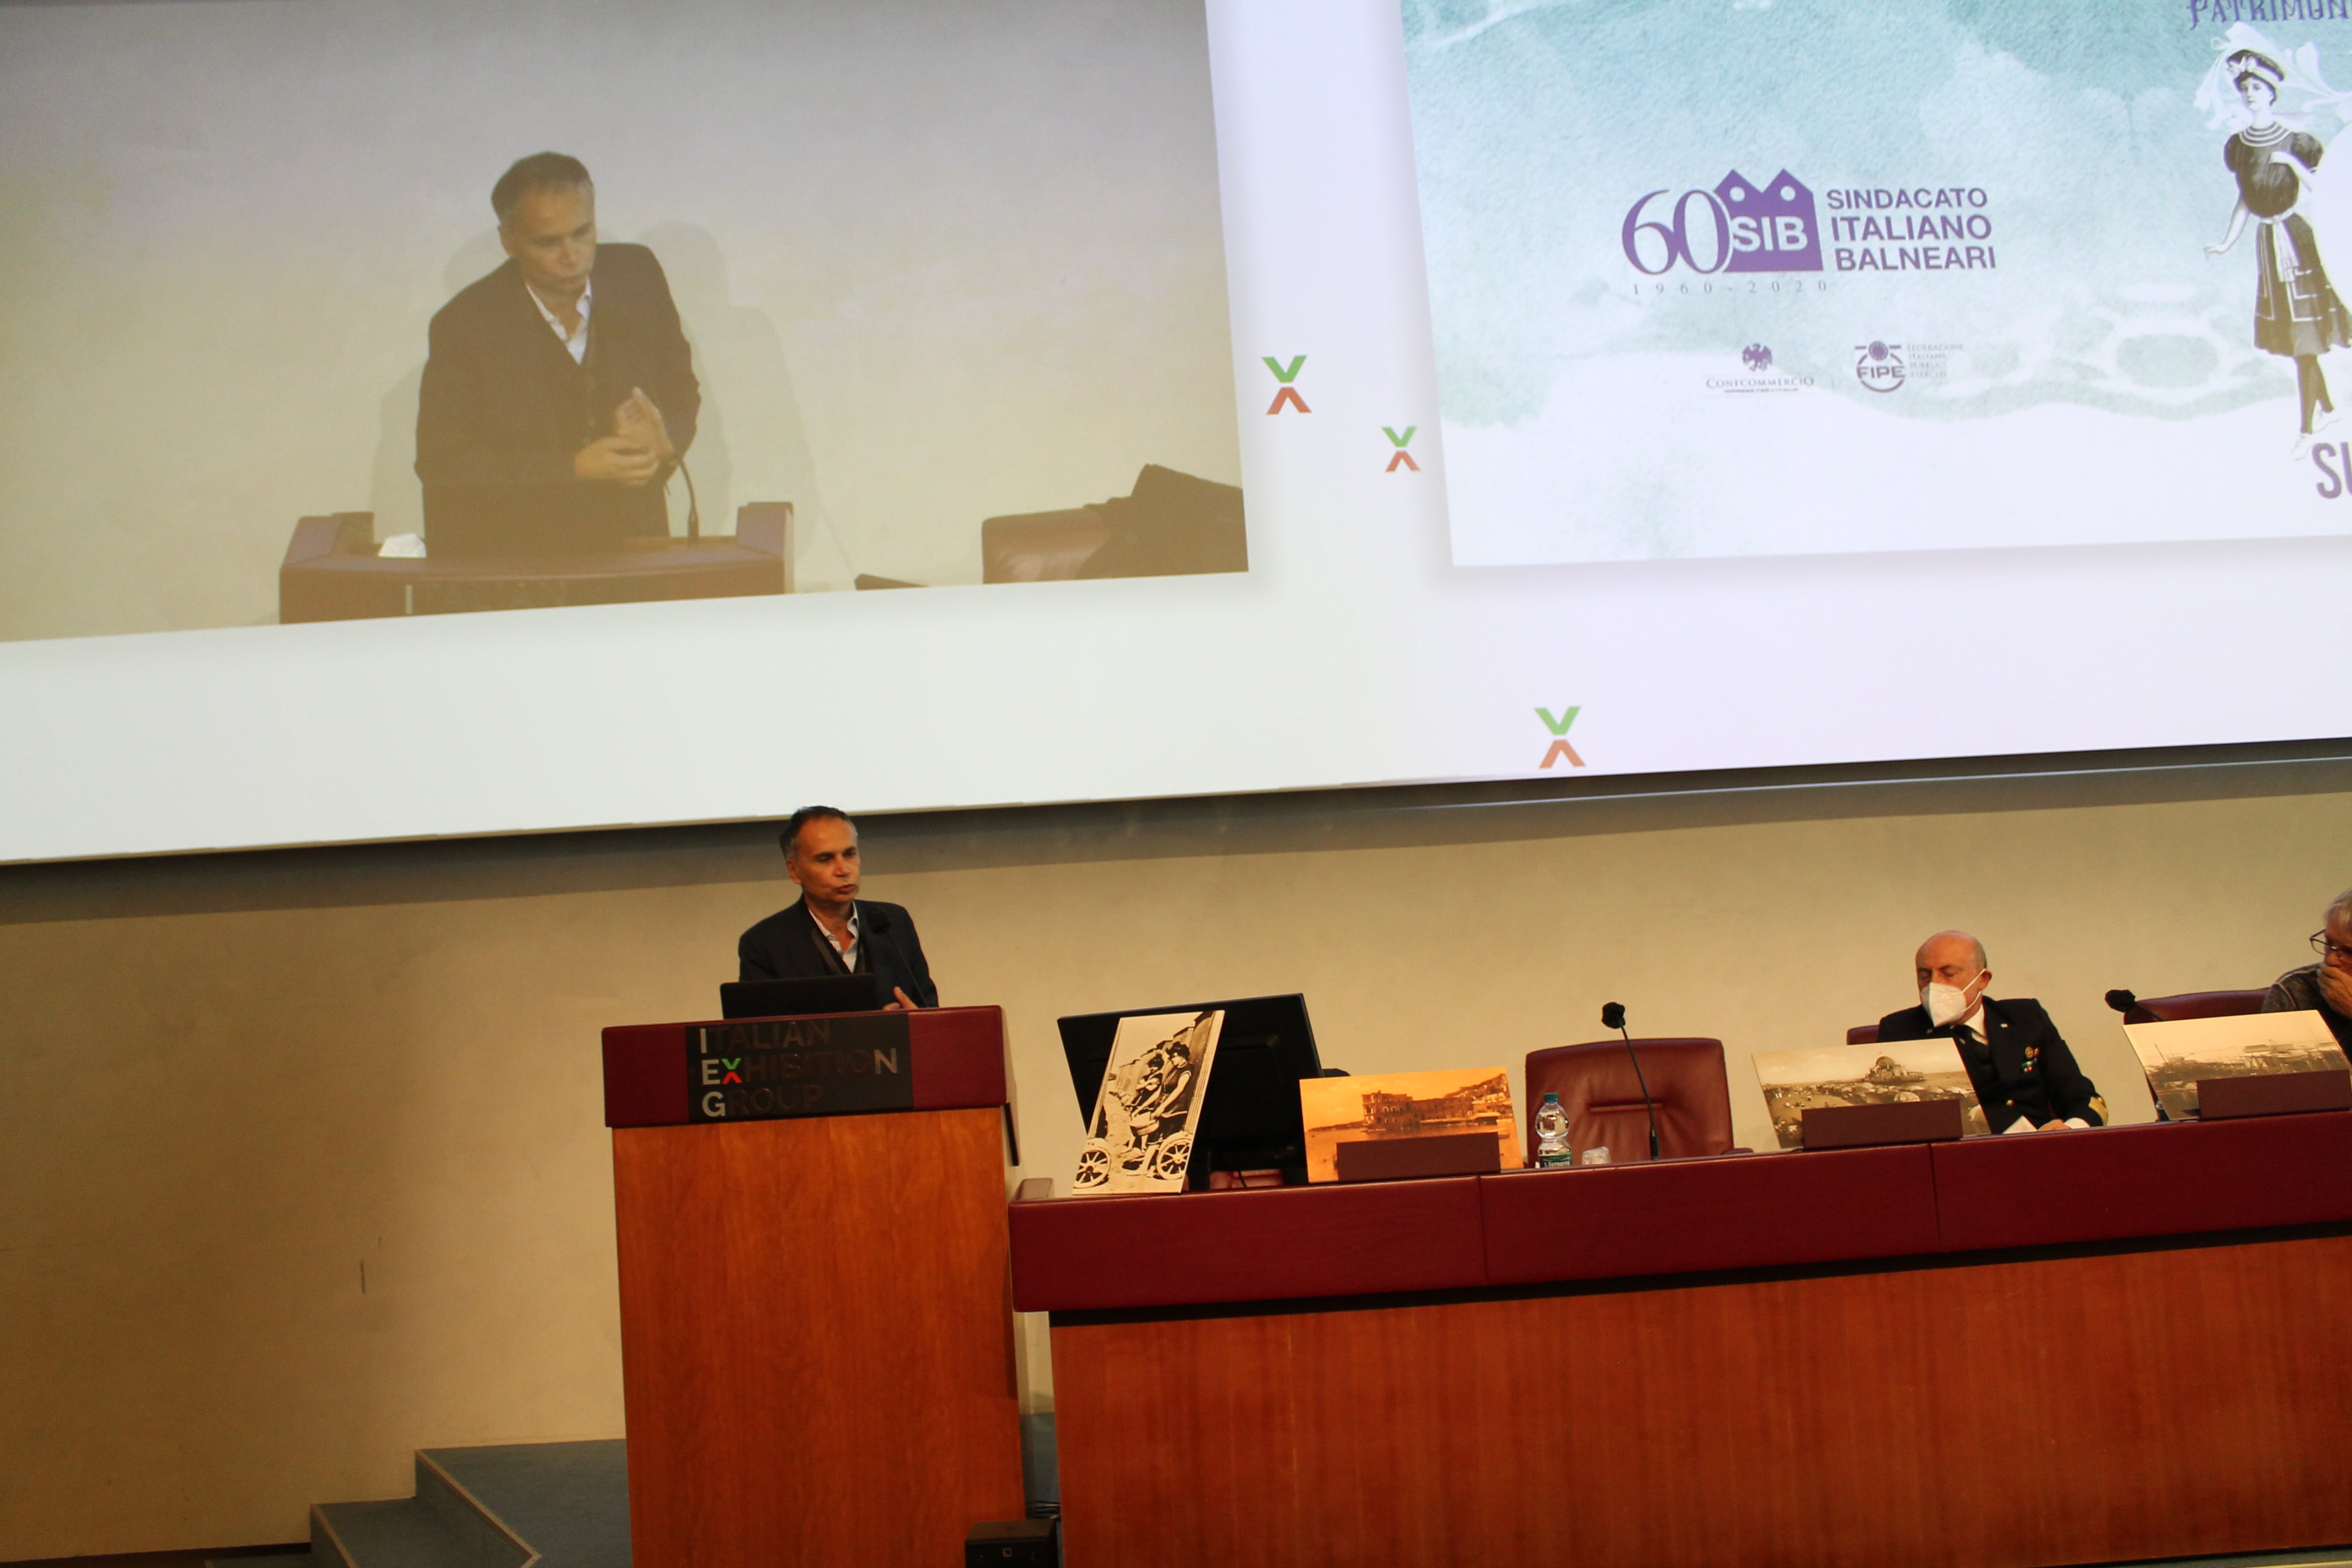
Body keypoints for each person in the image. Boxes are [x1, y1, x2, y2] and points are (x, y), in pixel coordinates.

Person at [416, 153, 700, 547]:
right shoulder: (465, 325)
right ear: (509, 241)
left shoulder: (637, 275)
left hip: (637, 538)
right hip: (525, 551)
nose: (572, 256)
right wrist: (574, 468)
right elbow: (442, 463)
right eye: (548, 242)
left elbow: (680, 387)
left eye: (583, 233)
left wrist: (664, 443)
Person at [2204, 51, 2352, 447]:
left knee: (2305, 339)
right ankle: (2329, 410)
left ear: (2272, 93)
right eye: (2245, 88)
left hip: (2298, 240)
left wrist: (2290, 161)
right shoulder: (2239, 146)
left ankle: (2308, 428)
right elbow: (2245, 199)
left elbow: (2323, 187)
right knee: (2297, 338)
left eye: (2258, 87)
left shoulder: (2297, 142)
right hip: (2269, 244)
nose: (2251, 93)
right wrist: (2226, 242)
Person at [1876, 930, 2104, 1134]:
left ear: (1983, 979)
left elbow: (2081, 1096)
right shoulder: (1900, 1030)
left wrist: (2069, 1129)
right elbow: (1894, 1123)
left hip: (2039, 1149)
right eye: (1925, 975)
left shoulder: (2026, 1018)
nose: (1934, 985)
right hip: (1958, 1156)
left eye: (1949, 973)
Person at [737, 806, 937, 1009]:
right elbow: (759, 1027)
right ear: (794, 870)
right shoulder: (764, 944)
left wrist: (915, 1020)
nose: (844, 870)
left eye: (850, 854)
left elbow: (930, 1008)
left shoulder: (893, 923)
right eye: (826, 859)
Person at [2262, 886, 2352, 1050]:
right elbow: (2272, 1064)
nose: (2331, 959)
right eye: (2329, 943)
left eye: (2348, 952)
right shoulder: (2296, 992)